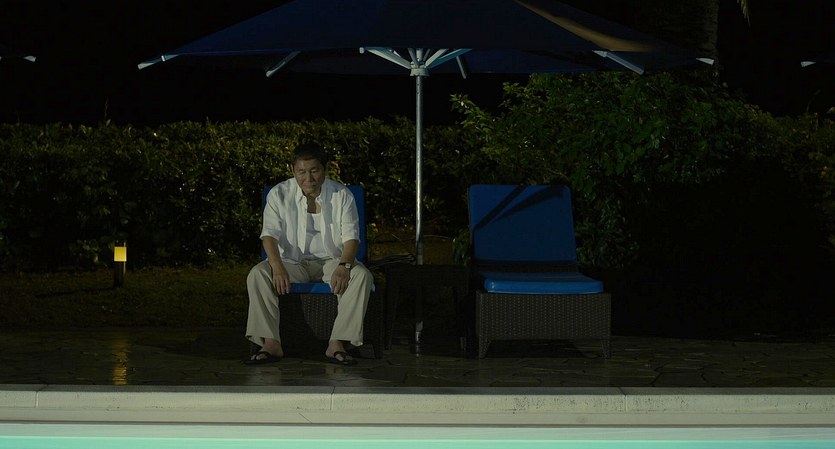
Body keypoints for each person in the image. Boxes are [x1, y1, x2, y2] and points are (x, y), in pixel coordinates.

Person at [245, 143, 373, 366]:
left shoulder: (341, 195)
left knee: (361, 276)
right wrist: (276, 266)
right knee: (258, 274)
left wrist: (344, 266)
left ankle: (337, 343)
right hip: (292, 262)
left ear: (325, 169)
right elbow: (269, 236)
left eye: (314, 171)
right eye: (302, 172)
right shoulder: (279, 194)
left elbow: (351, 238)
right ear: (293, 170)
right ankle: (271, 343)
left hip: (332, 261)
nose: (308, 178)